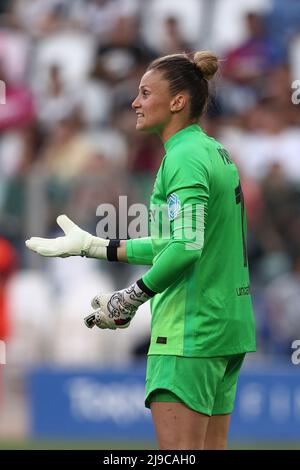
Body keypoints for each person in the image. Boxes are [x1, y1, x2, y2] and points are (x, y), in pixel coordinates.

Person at [26, 50, 256, 450]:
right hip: (225, 328)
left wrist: (132, 297)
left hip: (189, 333)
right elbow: (175, 243)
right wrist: (95, 246)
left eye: (146, 92)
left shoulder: (182, 158)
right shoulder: (213, 151)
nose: (136, 102)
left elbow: (185, 248)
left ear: (178, 102)